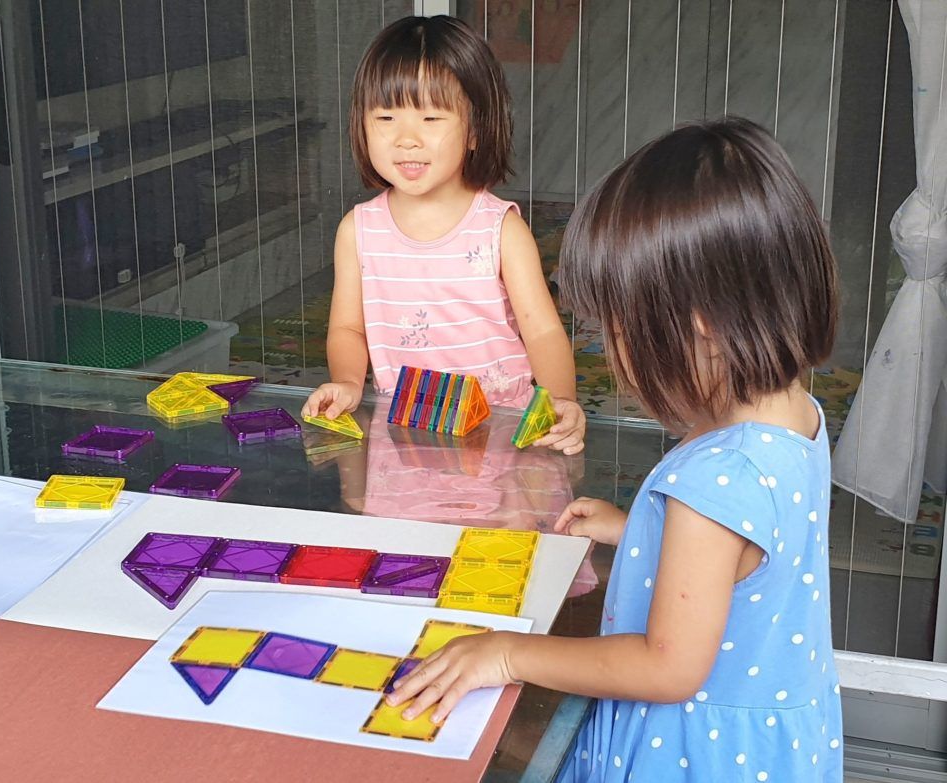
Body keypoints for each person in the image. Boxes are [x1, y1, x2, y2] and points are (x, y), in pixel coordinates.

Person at [386, 117, 843, 782]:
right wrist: (638, 530)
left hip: (693, 755)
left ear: (701, 321)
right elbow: (755, 557)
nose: (613, 353)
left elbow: (665, 665)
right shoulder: (795, 416)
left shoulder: (720, 473)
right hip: (775, 744)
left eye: (620, 327)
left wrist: (507, 653)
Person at [301, 15, 585, 454]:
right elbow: (347, 329)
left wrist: (561, 401)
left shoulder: (500, 228)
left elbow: (543, 331)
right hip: (407, 434)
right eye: (386, 117)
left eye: (431, 117)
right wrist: (347, 381)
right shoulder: (357, 230)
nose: (407, 139)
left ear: (474, 129)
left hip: (501, 433)